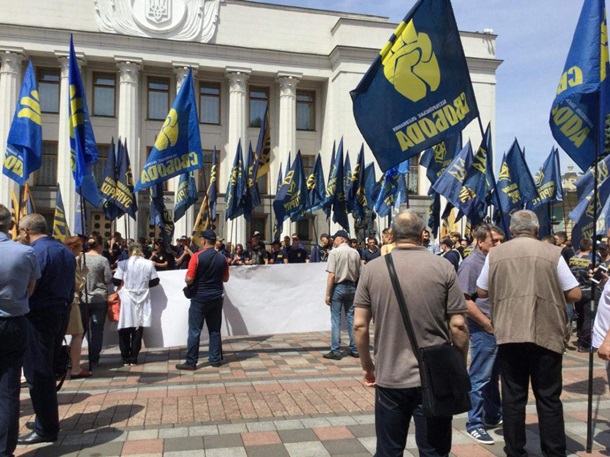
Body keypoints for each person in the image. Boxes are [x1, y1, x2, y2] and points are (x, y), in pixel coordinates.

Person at [353, 210, 469, 456]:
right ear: (422, 235)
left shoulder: (372, 270)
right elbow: (458, 325)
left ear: (392, 235)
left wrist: (367, 366)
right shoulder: (444, 267)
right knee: (434, 450)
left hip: (390, 374)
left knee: (389, 450)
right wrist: (458, 363)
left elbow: (359, 325)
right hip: (435, 376)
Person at [477, 210, 581, 457]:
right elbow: (575, 293)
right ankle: (554, 451)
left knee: (513, 397)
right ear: (536, 229)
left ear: (511, 231)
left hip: (510, 331)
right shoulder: (552, 253)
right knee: (548, 397)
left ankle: (514, 450)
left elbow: (481, 291)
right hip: (544, 331)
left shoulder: (495, 254)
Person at [18, 213, 76, 445]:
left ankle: (46, 428)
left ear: (25, 231)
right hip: (60, 312)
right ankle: (46, 418)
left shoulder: (36, 253)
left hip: (39, 316)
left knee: (38, 373)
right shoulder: (64, 251)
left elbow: (31, 286)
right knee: (47, 370)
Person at [0, 205, 40, 456]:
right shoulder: (24, 252)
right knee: (9, 390)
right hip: (13, 321)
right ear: (10, 224)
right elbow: (30, 289)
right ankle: (4, 450)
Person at [458, 224, 503, 445]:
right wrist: (486, 324)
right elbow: (464, 301)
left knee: (493, 375)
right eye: (494, 240)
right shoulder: (471, 264)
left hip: (498, 327)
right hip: (484, 328)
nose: (498, 244)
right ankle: (474, 423)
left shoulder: (494, 261)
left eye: (501, 240)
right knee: (479, 376)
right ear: (480, 241)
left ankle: (493, 414)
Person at [176, 230, 230, 370]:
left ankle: (191, 361)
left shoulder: (197, 257)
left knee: (194, 331)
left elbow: (189, 279)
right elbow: (226, 278)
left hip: (199, 298)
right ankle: (215, 359)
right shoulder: (222, 258)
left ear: (204, 241)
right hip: (216, 297)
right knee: (215, 330)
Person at [112, 242, 160, 366]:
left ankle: (125, 358)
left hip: (127, 297)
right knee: (138, 327)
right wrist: (143, 286)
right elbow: (155, 281)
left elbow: (116, 280)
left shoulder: (123, 264)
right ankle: (134, 357)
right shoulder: (148, 263)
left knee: (125, 327)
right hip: (142, 296)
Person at [324, 230, 361, 360]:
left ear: (343, 239)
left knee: (336, 319)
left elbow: (331, 275)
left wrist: (327, 294)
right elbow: (359, 273)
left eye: (336, 238)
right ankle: (354, 348)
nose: (334, 241)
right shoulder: (355, 252)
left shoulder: (334, 252)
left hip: (338, 287)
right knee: (351, 318)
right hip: (352, 286)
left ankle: (335, 350)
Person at [82, 234, 113, 366]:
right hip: (99, 297)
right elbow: (108, 279)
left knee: (81, 329)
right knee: (97, 329)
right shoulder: (102, 260)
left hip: (83, 297)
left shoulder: (80, 258)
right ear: (99, 245)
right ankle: (94, 357)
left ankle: (73, 355)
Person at [64, 236, 91, 379]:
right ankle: (75, 367)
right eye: (80, 248)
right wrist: (84, 276)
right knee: (78, 333)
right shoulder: (69, 260)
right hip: (72, 300)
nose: (81, 251)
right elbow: (77, 284)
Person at [568, 238, 594, 352]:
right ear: (590, 247)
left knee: (580, 315)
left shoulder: (572, 259)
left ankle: (579, 337)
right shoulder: (592, 260)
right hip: (589, 291)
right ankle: (585, 343)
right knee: (588, 317)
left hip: (576, 291)